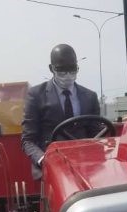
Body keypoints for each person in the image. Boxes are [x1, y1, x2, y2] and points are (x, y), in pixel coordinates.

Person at [22, 43, 100, 179]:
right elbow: (28, 140)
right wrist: (43, 160)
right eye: (62, 71)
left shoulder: (90, 97)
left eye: (72, 70)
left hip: (86, 167)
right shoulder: (36, 95)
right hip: (52, 168)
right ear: (51, 69)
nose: (68, 75)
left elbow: (97, 134)